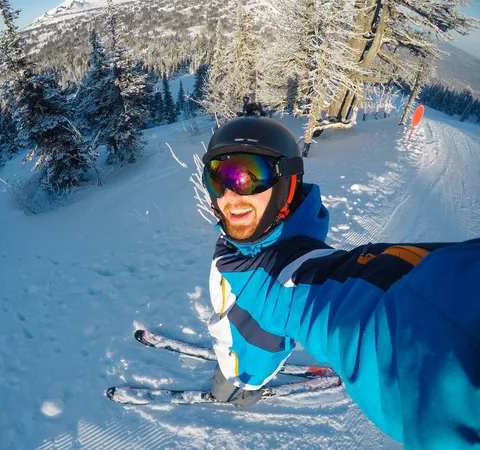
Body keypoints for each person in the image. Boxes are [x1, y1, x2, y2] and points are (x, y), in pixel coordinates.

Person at [202, 108, 480, 449]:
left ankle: (243, 385)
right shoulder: (244, 249)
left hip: (252, 351)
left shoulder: (286, 277)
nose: (231, 195)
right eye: (218, 177)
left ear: (287, 183)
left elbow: (376, 307)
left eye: (250, 176)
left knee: (246, 365)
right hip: (245, 308)